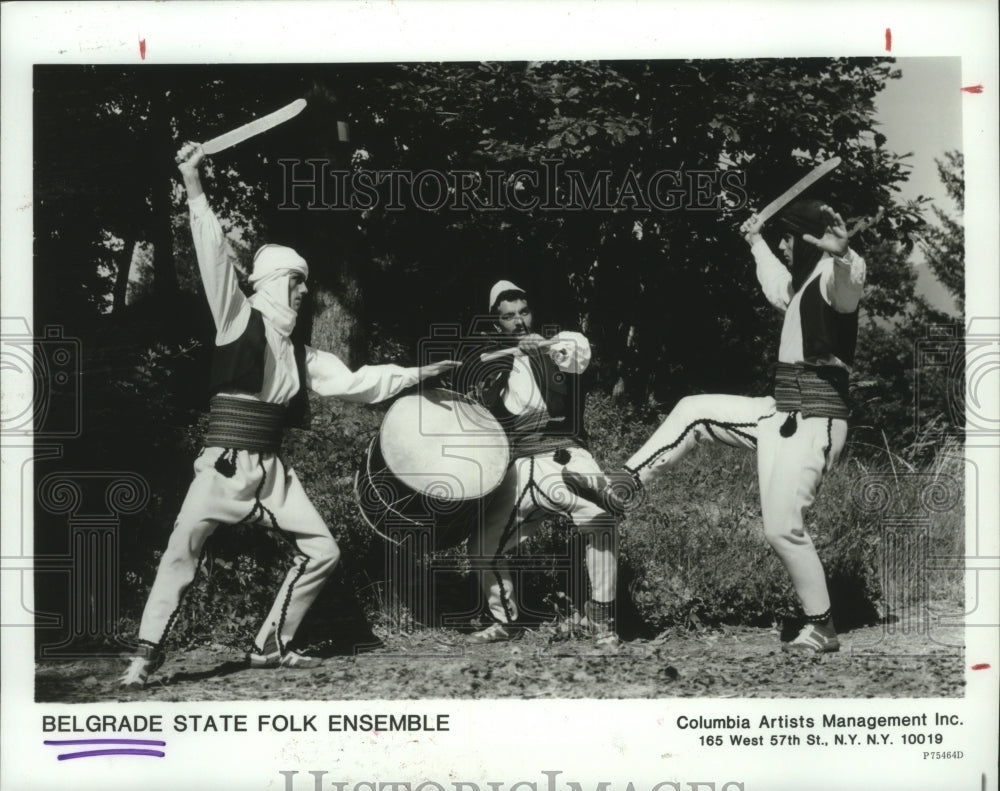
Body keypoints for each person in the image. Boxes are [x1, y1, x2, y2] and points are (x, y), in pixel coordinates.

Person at [121, 142, 457, 687]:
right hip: (224, 465)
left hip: (272, 470)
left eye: (304, 281)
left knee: (322, 549)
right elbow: (211, 251)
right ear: (272, 279)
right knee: (183, 549)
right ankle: (145, 654)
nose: (304, 291)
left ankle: (269, 644)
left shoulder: (303, 356)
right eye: (296, 280)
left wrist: (420, 373)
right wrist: (193, 182)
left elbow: (357, 383)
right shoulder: (236, 319)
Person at [565, 200, 865, 654]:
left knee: (782, 529)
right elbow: (775, 287)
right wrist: (755, 241)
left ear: (807, 238)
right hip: (780, 413)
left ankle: (821, 626)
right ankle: (623, 486)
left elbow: (847, 292)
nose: (784, 246)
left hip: (813, 421)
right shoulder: (802, 285)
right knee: (694, 409)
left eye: (787, 238)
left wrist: (843, 255)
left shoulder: (829, 276)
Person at [465, 280, 619, 645]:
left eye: (524, 313)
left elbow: (578, 348)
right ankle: (505, 621)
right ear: (496, 322)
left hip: (565, 456)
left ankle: (602, 619)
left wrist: (544, 345)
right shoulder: (491, 358)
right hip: (519, 467)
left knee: (602, 521)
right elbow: (474, 383)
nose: (518, 322)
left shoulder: (556, 347)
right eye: (508, 317)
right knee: (482, 548)